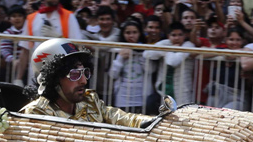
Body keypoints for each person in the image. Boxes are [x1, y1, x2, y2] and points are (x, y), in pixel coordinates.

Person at [21, 38, 154, 126]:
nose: (84, 81)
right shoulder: (36, 113)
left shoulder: (90, 101)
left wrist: (153, 121)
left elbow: (122, 118)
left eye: (85, 73)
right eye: (74, 75)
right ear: (53, 79)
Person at [144, 22, 196, 107]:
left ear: (185, 36)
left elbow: (172, 62)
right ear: (169, 36)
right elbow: (147, 54)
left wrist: (165, 51)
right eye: (174, 35)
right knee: (166, 116)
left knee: (184, 115)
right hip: (164, 88)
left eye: (180, 35)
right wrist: (168, 50)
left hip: (182, 89)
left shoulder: (189, 45)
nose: (177, 38)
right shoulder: (166, 43)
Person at [109, 19, 148, 112]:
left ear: (140, 34)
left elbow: (150, 70)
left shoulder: (146, 51)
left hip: (140, 98)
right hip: (122, 98)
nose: (131, 35)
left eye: (135, 32)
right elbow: (112, 74)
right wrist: (120, 58)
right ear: (123, 34)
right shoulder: (117, 50)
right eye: (128, 32)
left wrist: (140, 54)